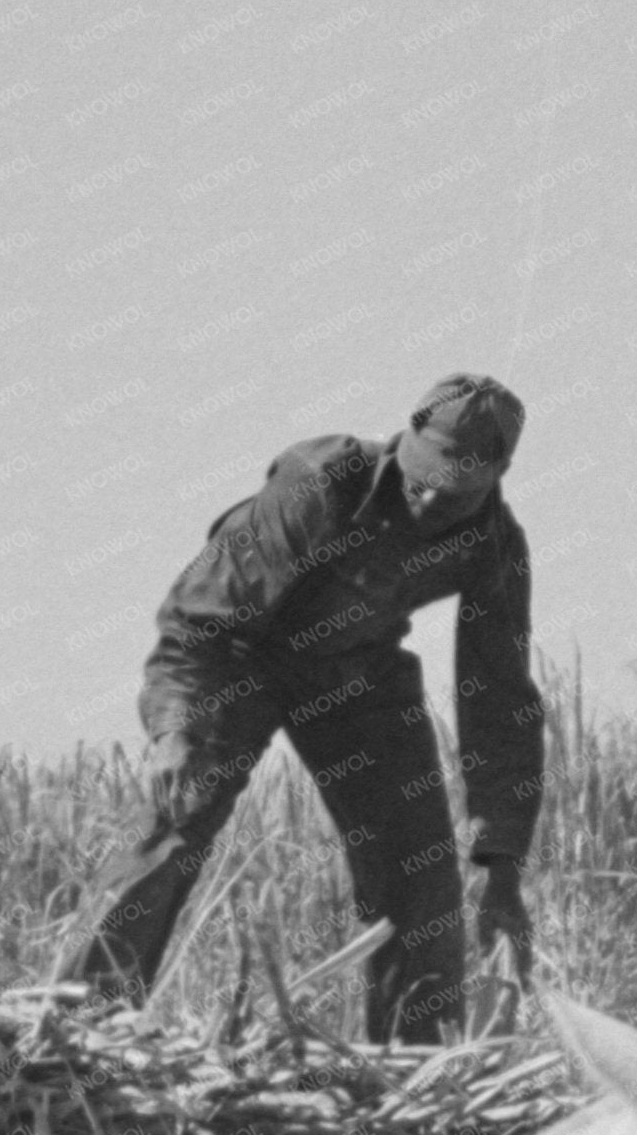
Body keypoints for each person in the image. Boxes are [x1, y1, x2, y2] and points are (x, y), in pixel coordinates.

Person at [63, 373, 543, 1044]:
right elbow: (197, 618)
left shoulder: (494, 543)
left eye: (453, 491)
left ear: (495, 477)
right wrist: (174, 727)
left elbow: (498, 701)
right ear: (405, 440)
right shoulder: (320, 480)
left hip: (355, 674)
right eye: (421, 477)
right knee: (176, 814)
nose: (430, 498)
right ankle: (77, 1030)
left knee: (421, 871)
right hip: (239, 653)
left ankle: (414, 1073)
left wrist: (500, 867)